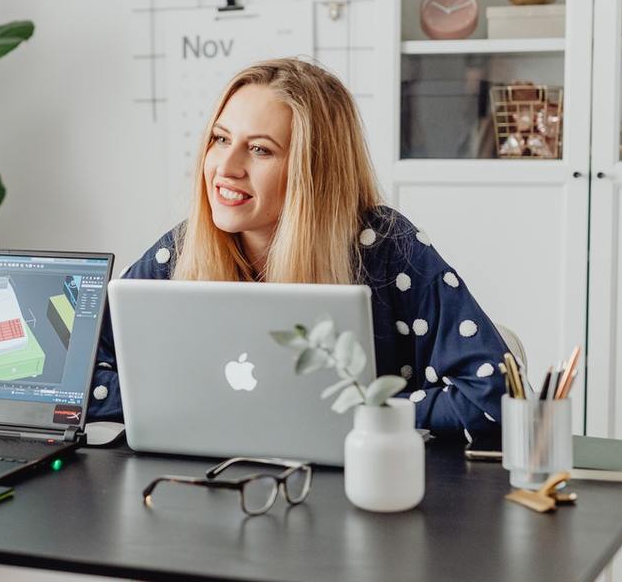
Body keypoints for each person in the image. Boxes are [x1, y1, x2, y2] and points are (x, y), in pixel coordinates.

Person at [87, 58, 507, 442]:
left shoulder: (387, 247)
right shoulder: (182, 250)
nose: (225, 167)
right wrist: (208, 405)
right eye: (220, 138)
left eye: (259, 149)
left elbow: (493, 396)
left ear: (313, 172)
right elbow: (81, 379)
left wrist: (361, 416)